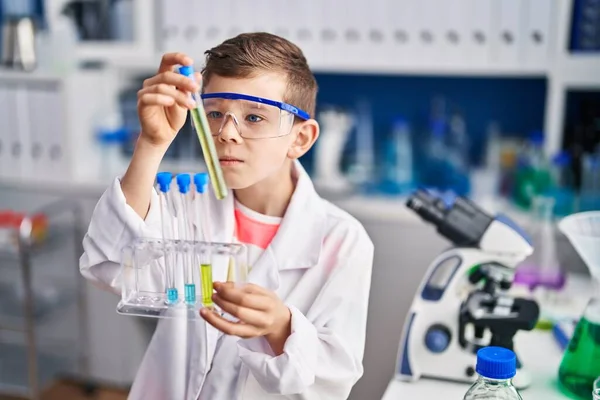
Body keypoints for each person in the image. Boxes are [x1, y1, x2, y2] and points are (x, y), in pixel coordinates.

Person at [80, 32, 374, 399]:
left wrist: (281, 327)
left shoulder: (343, 241)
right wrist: (151, 144)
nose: (226, 133)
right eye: (215, 113)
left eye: (254, 117)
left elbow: (335, 376)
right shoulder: (187, 205)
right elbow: (109, 267)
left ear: (300, 139)